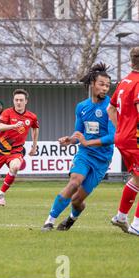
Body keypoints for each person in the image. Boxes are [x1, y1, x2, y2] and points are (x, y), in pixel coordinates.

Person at [40, 63, 114, 232]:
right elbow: (79, 133)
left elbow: (112, 137)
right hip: (85, 154)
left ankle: (72, 218)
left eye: (108, 86)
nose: (105, 88)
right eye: (102, 84)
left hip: (102, 160)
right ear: (92, 84)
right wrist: (70, 139)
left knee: (77, 200)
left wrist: (87, 141)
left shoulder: (111, 107)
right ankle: (49, 221)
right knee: (74, 182)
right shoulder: (81, 107)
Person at [107, 47, 139, 236]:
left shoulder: (124, 81)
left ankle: (120, 216)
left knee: (137, 178)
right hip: (134, 138)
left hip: (123, 137)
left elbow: (111, 109)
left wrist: (121, 128)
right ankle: (137, 225)